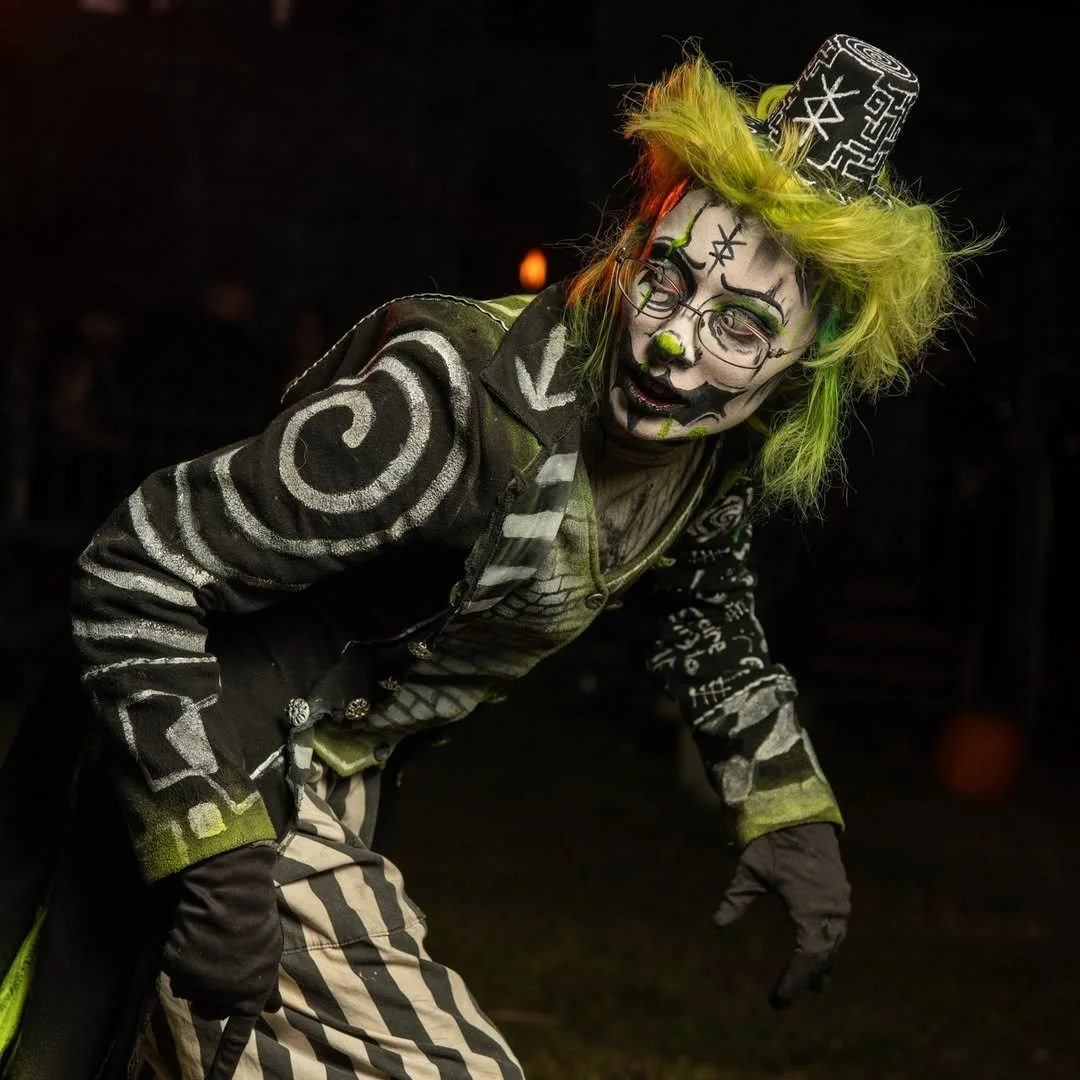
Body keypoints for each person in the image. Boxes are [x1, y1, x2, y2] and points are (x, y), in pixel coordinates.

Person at [1, 35, 988, 1080]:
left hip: (328, 785)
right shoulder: (449, 405)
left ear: (805, 367)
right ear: (637, 240)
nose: (672, 342)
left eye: (741, 326)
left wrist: (786, 807)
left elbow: (711, 610)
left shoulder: (706, 448)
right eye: (669, 278)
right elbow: (138, 563)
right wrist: (214, 848)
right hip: (215, 758)